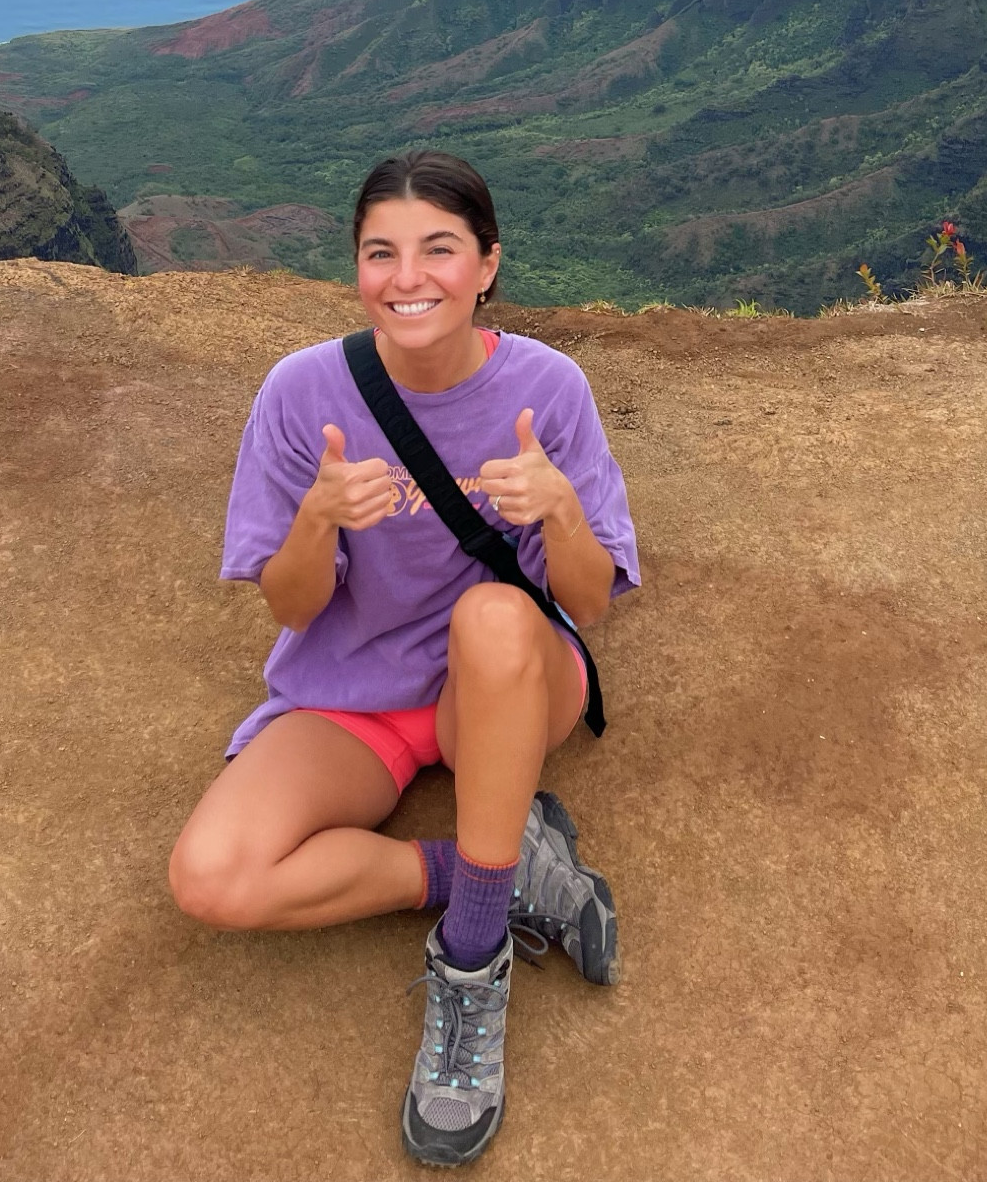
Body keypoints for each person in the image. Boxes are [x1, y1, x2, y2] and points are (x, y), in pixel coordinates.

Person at [168, 150, 641, 1167]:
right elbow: (292, 603)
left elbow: (590, 598)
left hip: (502, 688)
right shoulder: (302, 393)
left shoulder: (547, 388)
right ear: (356, 267)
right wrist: (315, 518)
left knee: (495, 617)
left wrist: (558, 505)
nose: (408, 274)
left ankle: (472, 961)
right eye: (381, 250)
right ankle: (504, 871)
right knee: (214, 877)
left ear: (486, 264)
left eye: (439, 248)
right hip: (358, 693)